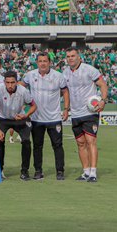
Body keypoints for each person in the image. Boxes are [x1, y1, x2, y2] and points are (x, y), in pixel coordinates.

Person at [63, 47, 108, 183]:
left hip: (90, 112)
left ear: (79, 57)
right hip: (75, 113)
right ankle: (85, 172)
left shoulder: (89, 70)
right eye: (68, 56)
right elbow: (65, 92)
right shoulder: (65, 73)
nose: (70, 58)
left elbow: (103, 85)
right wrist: (66, 109)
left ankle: (93, 172)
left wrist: (103, 101)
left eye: (73, 56)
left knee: (91, 141)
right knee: (80, 143)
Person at [21, 52, 69, 181]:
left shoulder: (58, 76)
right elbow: (21, 87)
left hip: (54, 118)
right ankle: (38, 171)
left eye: (45, 61)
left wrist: (66, 109)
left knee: (57, 145)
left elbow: (65, 91)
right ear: (37, 62)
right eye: (40, 61)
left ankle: (60, 171)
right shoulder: (30, 75)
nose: (42, 63)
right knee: (37, 146)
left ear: (49, 63)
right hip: (36, 118)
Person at [0, 71, 37, 180]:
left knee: (26, 142)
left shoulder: (23, 91)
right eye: (8, 82)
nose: (10, 85)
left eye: (13, 82)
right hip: (3, 118)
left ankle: (24, 171)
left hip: (19, 119)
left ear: (17, 82)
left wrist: (26, 115)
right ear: (4, 82)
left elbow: (33, 106)